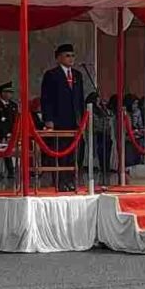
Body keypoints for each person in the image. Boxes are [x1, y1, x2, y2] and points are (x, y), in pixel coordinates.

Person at [39, 43, 85, 191]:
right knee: (60, 152)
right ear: (59, 58)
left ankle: (71, 181)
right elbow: (46, 99)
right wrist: (48, 119)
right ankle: (59, 182)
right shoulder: (52, 75)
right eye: (67, 56)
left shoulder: (77, 75)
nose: (71, 58)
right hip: (59, 121)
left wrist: (83, 117)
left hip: (75, 121)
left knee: (74, 153)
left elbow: (80, 99)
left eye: (73, 56)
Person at [86, 92, 114, 184]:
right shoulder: (92, 110)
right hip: (98, 133)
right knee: (101, 151)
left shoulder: (103, 108)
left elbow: (109, 115)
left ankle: (106, 167)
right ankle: (102, 168)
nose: (99, 100)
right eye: (97, 98)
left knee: (107, 151)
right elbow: (95, 122)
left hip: (107, 133)